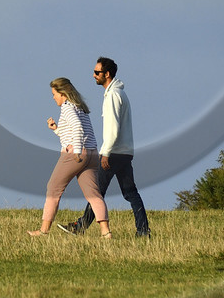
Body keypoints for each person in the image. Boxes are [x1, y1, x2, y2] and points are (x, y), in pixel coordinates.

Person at [62, 57, 151, 237]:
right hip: (125, 152)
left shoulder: (112, 96)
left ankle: (80, 227)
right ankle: (143, 231)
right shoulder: (119, 93)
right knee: (130, 192)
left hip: (114, 153)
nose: (93, 75)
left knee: (96, 192)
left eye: (97, 72)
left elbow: (113, 129)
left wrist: (106, 154)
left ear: (107, 74)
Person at [29, 78, 112, 238]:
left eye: (54, 94)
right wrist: (57, 129)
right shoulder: (80, 108)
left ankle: (43, 231)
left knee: (53, 188)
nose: (53, 98)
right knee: (94, 194)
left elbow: (78, 129)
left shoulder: (67, 108)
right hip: (93, 154)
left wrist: (77, 151)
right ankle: (106, 232)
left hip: (76, 154)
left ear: (62, 93)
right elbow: (73, 132)